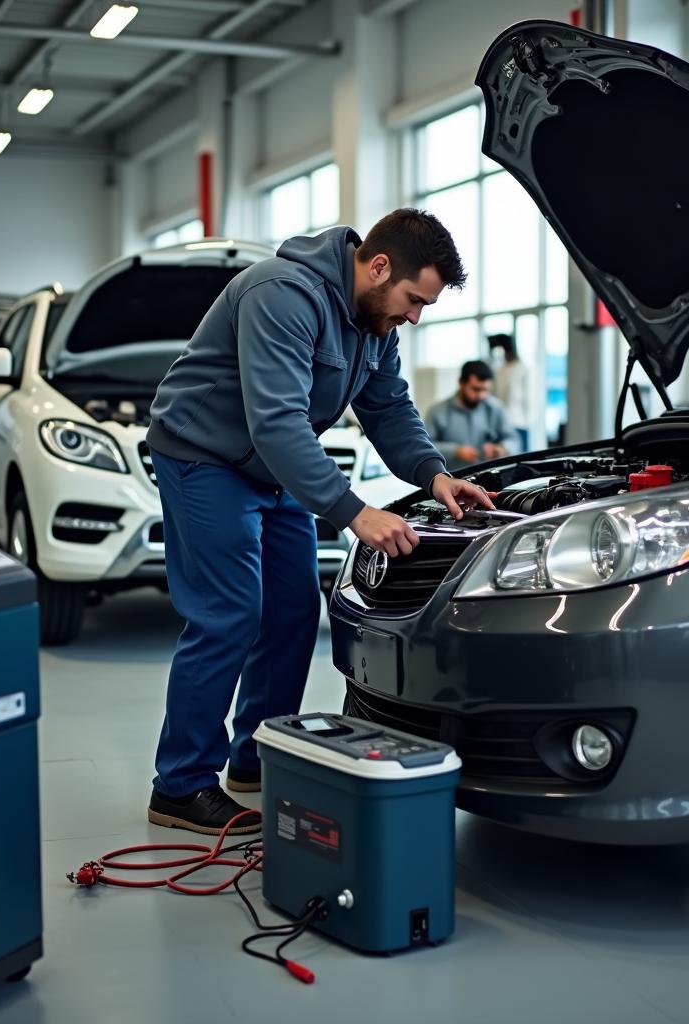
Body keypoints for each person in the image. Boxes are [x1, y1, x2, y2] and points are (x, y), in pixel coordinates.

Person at [144, 209, 495, 835]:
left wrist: (435, 475)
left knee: (294, 610)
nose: (414, 316)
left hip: (273, 467)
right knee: (229, 612)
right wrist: (355, 512)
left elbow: (388, 408)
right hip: (204, 456)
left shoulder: (373, 322)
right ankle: (181, 782)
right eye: (414, 300)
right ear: (379, 266)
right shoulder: (281, 293)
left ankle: (256, 758)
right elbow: (275, 421)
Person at [425, 360, 520, 470]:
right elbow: (426, 447)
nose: (481, 395)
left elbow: (514, 440)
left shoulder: (495, 408)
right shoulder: (437, 411)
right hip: (452, 480)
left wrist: (501, 449)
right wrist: (455, 452)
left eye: (485, 390)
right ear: (461, 383)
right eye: (476, 389)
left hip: (489, 478)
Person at [489, 333, 530, 453]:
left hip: (518, 423)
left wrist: (525, 421)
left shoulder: (524, 369)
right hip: (499, 425)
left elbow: (529, 399)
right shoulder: (499, 370)